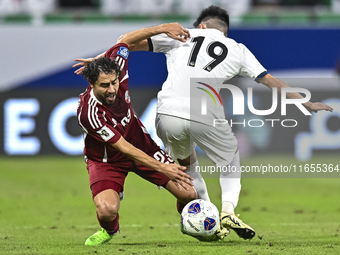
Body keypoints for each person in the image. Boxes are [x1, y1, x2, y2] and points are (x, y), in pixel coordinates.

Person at [74, 6, 333, 241]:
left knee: (189, 178)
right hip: (182, 123)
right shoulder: (238, 48)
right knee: (229, 159)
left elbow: (128, 43)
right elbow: (269, 80)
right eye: (104, 83)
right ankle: (227, 210)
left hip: (169, 115)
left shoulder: (183, 35)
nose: (111, 87)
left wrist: (101, 60)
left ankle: (206, 218)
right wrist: (305, 103)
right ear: (224, 30)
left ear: (202, 26)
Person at [75, 23, 198, 246]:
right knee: (107, 210)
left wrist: (164, 27)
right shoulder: (88, 112)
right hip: (107, 160)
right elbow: (123, 148)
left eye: (114, 82)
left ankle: (190, 221)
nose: (112, 89)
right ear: (92, 83)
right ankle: (110, 230)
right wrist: (163, 167)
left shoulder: (117, 65)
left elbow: (126, 39)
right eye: (105, 86)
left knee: (189, 194)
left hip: (143, 146)